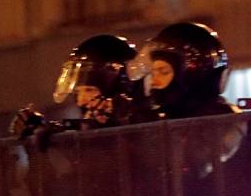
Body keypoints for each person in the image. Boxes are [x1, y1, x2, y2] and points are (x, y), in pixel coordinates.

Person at [12, 33, 148, 142]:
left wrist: (126, 124)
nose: (81, 101)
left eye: (89, 90)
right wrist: (37, 139)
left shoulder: (151, 128)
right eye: (78, 92)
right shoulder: (81, 133)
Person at [133, 21, 238, 121]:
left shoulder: (224, 124)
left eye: (164, 72)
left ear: (192, 78)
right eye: (153, 73)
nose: (153, 81)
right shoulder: (160, 121)